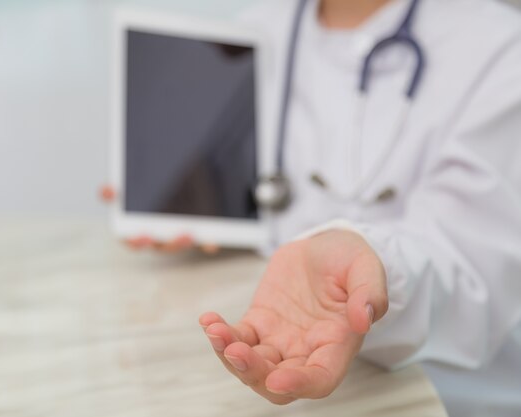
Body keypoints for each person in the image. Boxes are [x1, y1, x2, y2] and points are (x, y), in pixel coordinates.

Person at [104, 0, 521, 415]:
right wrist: (200, 215)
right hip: (280, 358)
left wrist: (377, 264)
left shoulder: (500, 46)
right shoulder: (257, 27)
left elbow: (474, 270)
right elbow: (253, 182)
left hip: (448, 397)